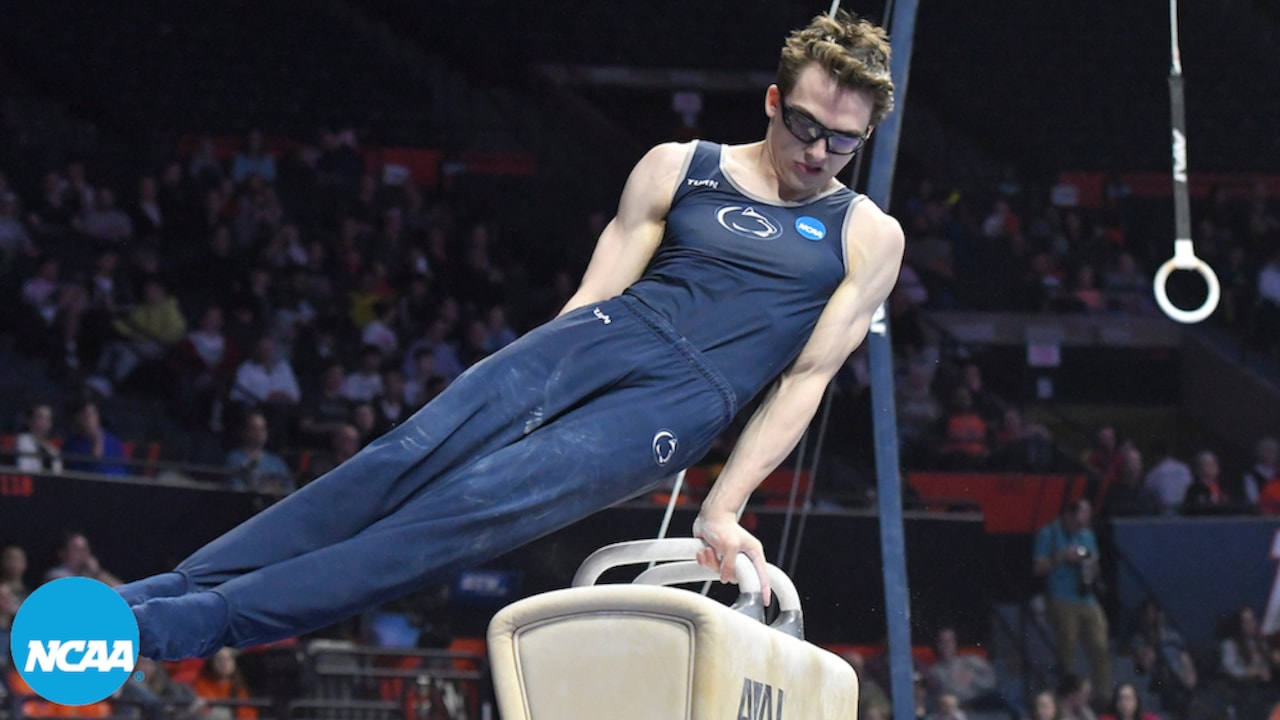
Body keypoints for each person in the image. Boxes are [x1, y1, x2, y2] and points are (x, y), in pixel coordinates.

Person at [115, 10, 903, 662]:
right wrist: (527, 385)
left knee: (459, 513)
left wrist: (722, 509)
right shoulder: (677, 166)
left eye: (843, 141)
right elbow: (596, 295)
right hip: (597, 335)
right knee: (397, 460)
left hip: (679, 400)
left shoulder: (866, 235)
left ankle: (191, 626)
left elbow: (804, 381)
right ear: (772, 101)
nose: (818, 152)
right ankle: (156, 595)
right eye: (806, 124)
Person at [1034, 499, 1112, 705]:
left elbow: (1095, 563)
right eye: (1080, 518)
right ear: (1069, 515)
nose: (1082, 523)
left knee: (1100, 644)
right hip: (1061, 596)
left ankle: (1102, 695)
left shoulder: (1087, 535)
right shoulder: (1048, 533)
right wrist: (1062, 557)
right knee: (1067, 644)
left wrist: (1091, 564)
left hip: (1086, 596)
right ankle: (1068, 693)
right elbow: (1038, 567)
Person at [15, 402, 63, 473]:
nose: (44, 422)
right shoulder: (22, 440)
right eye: (40, 417)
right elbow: (23, 468)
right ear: (29, 421)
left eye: (47, 419)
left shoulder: (53, 450)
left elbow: (58, 473)